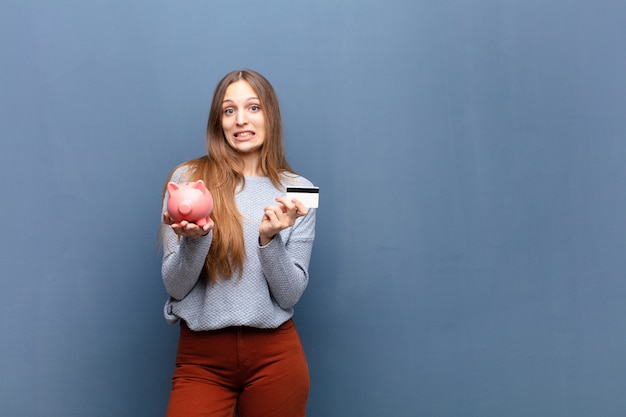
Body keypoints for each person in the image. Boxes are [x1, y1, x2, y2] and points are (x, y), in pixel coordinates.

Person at [159, 69, 316, 417]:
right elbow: (175, 286)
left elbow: (290, 295)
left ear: (270, 114)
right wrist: (195, 241)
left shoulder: (300, 190)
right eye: (229, 110)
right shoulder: (188, 180)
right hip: (201, 359)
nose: (241, 120)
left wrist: (269, 240)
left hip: (276, 357)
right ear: (219, 121)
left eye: (253, 107)